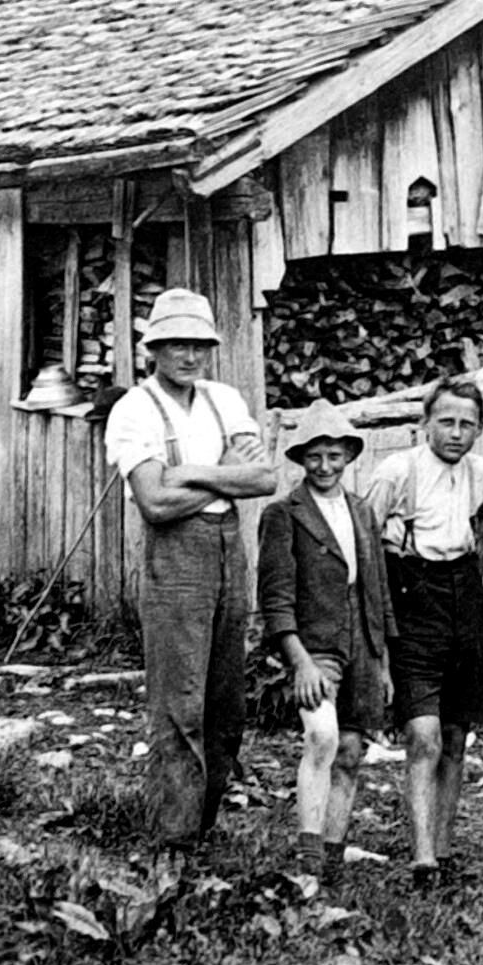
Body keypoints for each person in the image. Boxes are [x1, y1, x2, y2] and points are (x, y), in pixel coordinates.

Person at [105, 287, 281, 848]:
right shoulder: (134, 409)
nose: (189, 356)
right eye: (177, 344)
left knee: (226, 704)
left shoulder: (224, 399)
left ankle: (202, 826)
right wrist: (223, 473)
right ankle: (173, 839)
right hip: (176, 557)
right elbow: (155, 503)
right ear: (153, 349)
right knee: (180, 702)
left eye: (199, 345)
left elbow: (263, 478)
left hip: (230, 550)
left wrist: (189, 473)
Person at [257, 401, 396, 884]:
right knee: (321, 736)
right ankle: (307, 860)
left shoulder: (361, 511)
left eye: (334, 456)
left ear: (349, 457)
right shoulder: (283, 514)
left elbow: (378, 588)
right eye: (314, 456)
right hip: (315, 644)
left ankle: (332, 861)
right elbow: (275, 598)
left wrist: (383, 661)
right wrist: (299, 662)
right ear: (300, 459)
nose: (324, 466)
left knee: (352, 751)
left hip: (363, 642)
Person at [372, 375, 483, 888]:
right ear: (425, 423)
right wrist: (378, 628)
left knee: (453, 735)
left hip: (462, 600)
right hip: (412, 597)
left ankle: (443, 852)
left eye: (467, 424)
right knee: (422, 734)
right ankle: (422, 858)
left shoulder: (481, 474)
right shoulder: (397, 471)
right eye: (446, 421)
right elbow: (365, 544)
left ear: (480, 429)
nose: (456, 433)